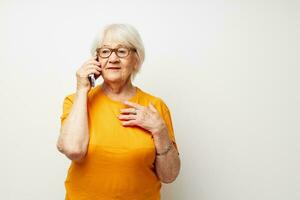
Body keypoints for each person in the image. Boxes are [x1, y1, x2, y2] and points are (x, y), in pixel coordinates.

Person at [57, 23, 181, 200]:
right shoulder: (77, 100)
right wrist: (82, 89)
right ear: (96, 60)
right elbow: (73, 150)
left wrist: (160, 131)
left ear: (136, 60)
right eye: (105, 51)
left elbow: (169, 176)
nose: (113, 59)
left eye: (122, 51)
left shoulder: (155, 106)